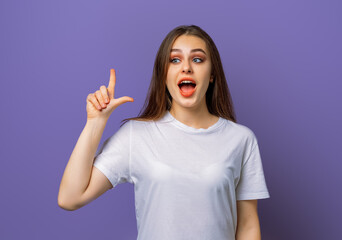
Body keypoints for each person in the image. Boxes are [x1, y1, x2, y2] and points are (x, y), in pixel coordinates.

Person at [58, 25, 270, 240]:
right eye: (175, 60)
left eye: (197, 59)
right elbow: (70, 198)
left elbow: (248, 225)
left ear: (212, 74)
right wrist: (95, 123)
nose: (186, 67)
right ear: (163, 74)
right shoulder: (136, 135)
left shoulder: (241, 139)